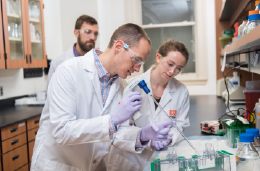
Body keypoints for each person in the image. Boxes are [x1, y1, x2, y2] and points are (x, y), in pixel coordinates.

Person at [31, 24, 174, 171]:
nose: (138, 68)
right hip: (56, 166)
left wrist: (142, 135)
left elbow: (117, 132)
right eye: (136, 60)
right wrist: (112, 120)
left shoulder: (121, 86)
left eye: (141, 63)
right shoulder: (68, 71)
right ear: (119, 46)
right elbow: (62, 131)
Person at [108, 39, 190, 171]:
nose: (172, 71)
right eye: (170, 64)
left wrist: (168, 139)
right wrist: (144, 135)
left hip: (161, 159)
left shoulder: (181, 91)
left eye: (178, 69)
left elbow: (180, 125)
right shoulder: (131, 86)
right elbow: (121, 128)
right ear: (159, 57)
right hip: (129, 160)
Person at [47, 15, 99, 84]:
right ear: (76, 33)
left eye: (95, 33)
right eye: (87, 32)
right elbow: (50, 93)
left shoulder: (99, 62)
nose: (93, 37)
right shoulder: (58, 63)